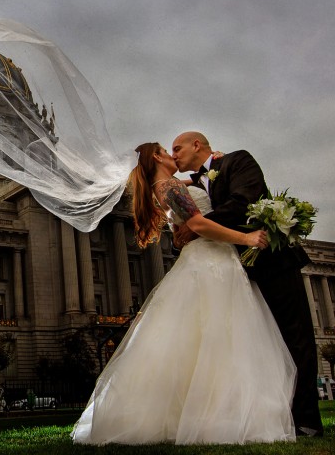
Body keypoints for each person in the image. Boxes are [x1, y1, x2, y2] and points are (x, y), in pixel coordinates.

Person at [72, 142, 296, 445]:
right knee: (220, 338)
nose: (174, 155)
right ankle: (219, 415)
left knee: (206, 341)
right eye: (168, 150)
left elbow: (201, 186)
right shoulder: (168, 186)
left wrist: (213, 165)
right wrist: (247, 237)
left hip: (209, 259)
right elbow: (198, 223)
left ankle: (211, 413)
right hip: (209, 261)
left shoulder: (170, 185)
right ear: (156, 156)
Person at [171, 131, 323, 437]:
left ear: (196, 145)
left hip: (272, 261)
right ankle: (272, 414)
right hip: (236, 272)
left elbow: (244, 203)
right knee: (262, 345)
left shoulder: (238, 160)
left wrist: (197, 227)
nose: (173, 154)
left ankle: (306, 419)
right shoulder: (198, 182)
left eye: (177, 148)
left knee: (295, 339)